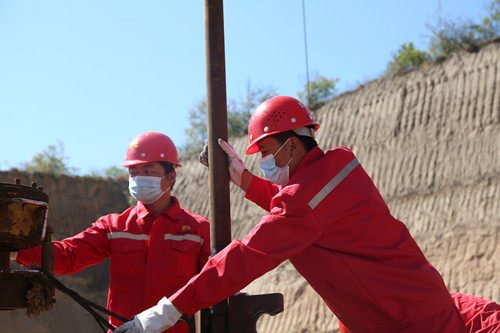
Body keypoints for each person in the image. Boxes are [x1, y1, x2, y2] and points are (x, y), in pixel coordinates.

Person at [114, 96, 466, 332]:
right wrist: (243, 178)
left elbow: (246, 255)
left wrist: (167, 311)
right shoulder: (338, 167)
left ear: (293, 144)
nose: (263, 161)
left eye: (265, 151)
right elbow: (302, 213)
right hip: (409, 309)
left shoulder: (305, 201)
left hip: (406, 322)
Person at [12, 131, 210, 333]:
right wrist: (15, 250)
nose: (139, 178)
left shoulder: (198, 230)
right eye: (134, 172)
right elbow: (68, 255)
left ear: (170, 177)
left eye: (148, 171)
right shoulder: (114, 226)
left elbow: (213, 284)